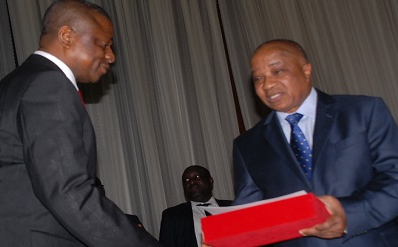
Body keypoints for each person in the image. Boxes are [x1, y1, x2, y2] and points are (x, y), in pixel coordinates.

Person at [0, 0, 158, 246]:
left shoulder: (21, 82)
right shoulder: (48, 85)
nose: (111, 55)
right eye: (104, 43)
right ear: (66, 36)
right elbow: (68, 191)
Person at [232, 39, 398, 246]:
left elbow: (394, 178)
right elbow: (249, 217)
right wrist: (225, 237)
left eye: (277, 71)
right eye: (258, 78)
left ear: (306, 70)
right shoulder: (247, 145)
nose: (267, 85)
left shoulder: (363, 112)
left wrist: (348, 215)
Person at [159, 165, 232, 247]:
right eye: (186, 180)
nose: (192, 182)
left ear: (210, 181)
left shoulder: (233, 207)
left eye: (197, 177)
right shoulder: (172, 216)